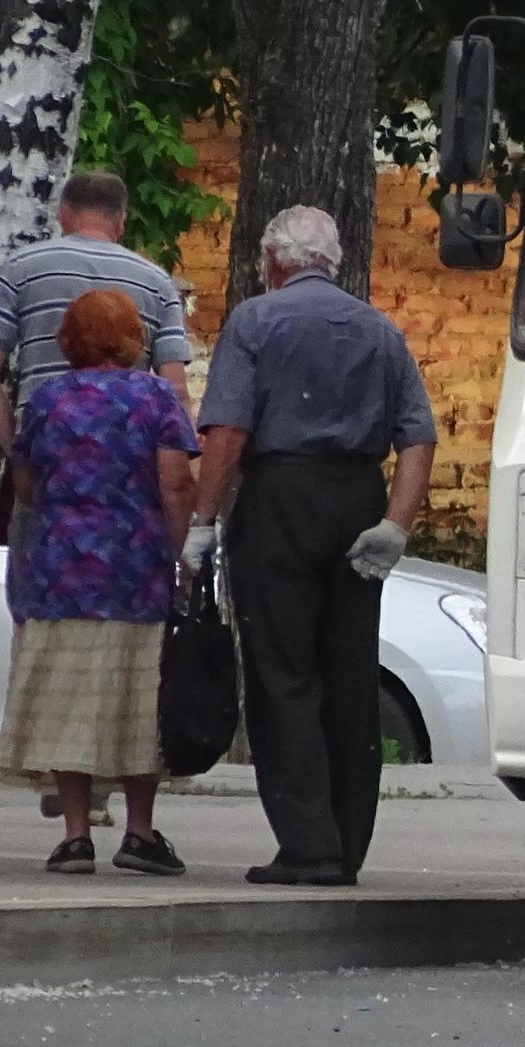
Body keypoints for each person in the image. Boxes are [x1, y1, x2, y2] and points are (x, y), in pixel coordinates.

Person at [188, 207, 437, 887]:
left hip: (281, 499)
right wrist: (395, 523)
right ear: (332, 261)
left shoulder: (256, 322)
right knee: (351, 676)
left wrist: (202, 521)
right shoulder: (379, 330)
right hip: (358, 497)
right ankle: (347, 842)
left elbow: (229, 433)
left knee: (282, 671)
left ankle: (308, 843)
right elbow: (419, 436)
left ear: (274, 262)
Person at [0, 169, 194, 828]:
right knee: (133, 652)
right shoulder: (153, 283)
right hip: (134, 494)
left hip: (52, 476)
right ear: (121, 220)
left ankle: (66, 782)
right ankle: (132, 816)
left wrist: (18, 453)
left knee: (53, 629)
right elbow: (176, 388)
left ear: (63, 212)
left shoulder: (19, 270)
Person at [0, 289, 199, 876]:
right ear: (134, 337)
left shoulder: (48, 400)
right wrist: (182, 553)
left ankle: (76, 837)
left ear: (68, 340)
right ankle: (139, 832)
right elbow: (176, 484)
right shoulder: (156, 396)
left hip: (60, 574)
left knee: (69, 703)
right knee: (136, 702)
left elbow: (26, 486)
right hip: (135, 573)